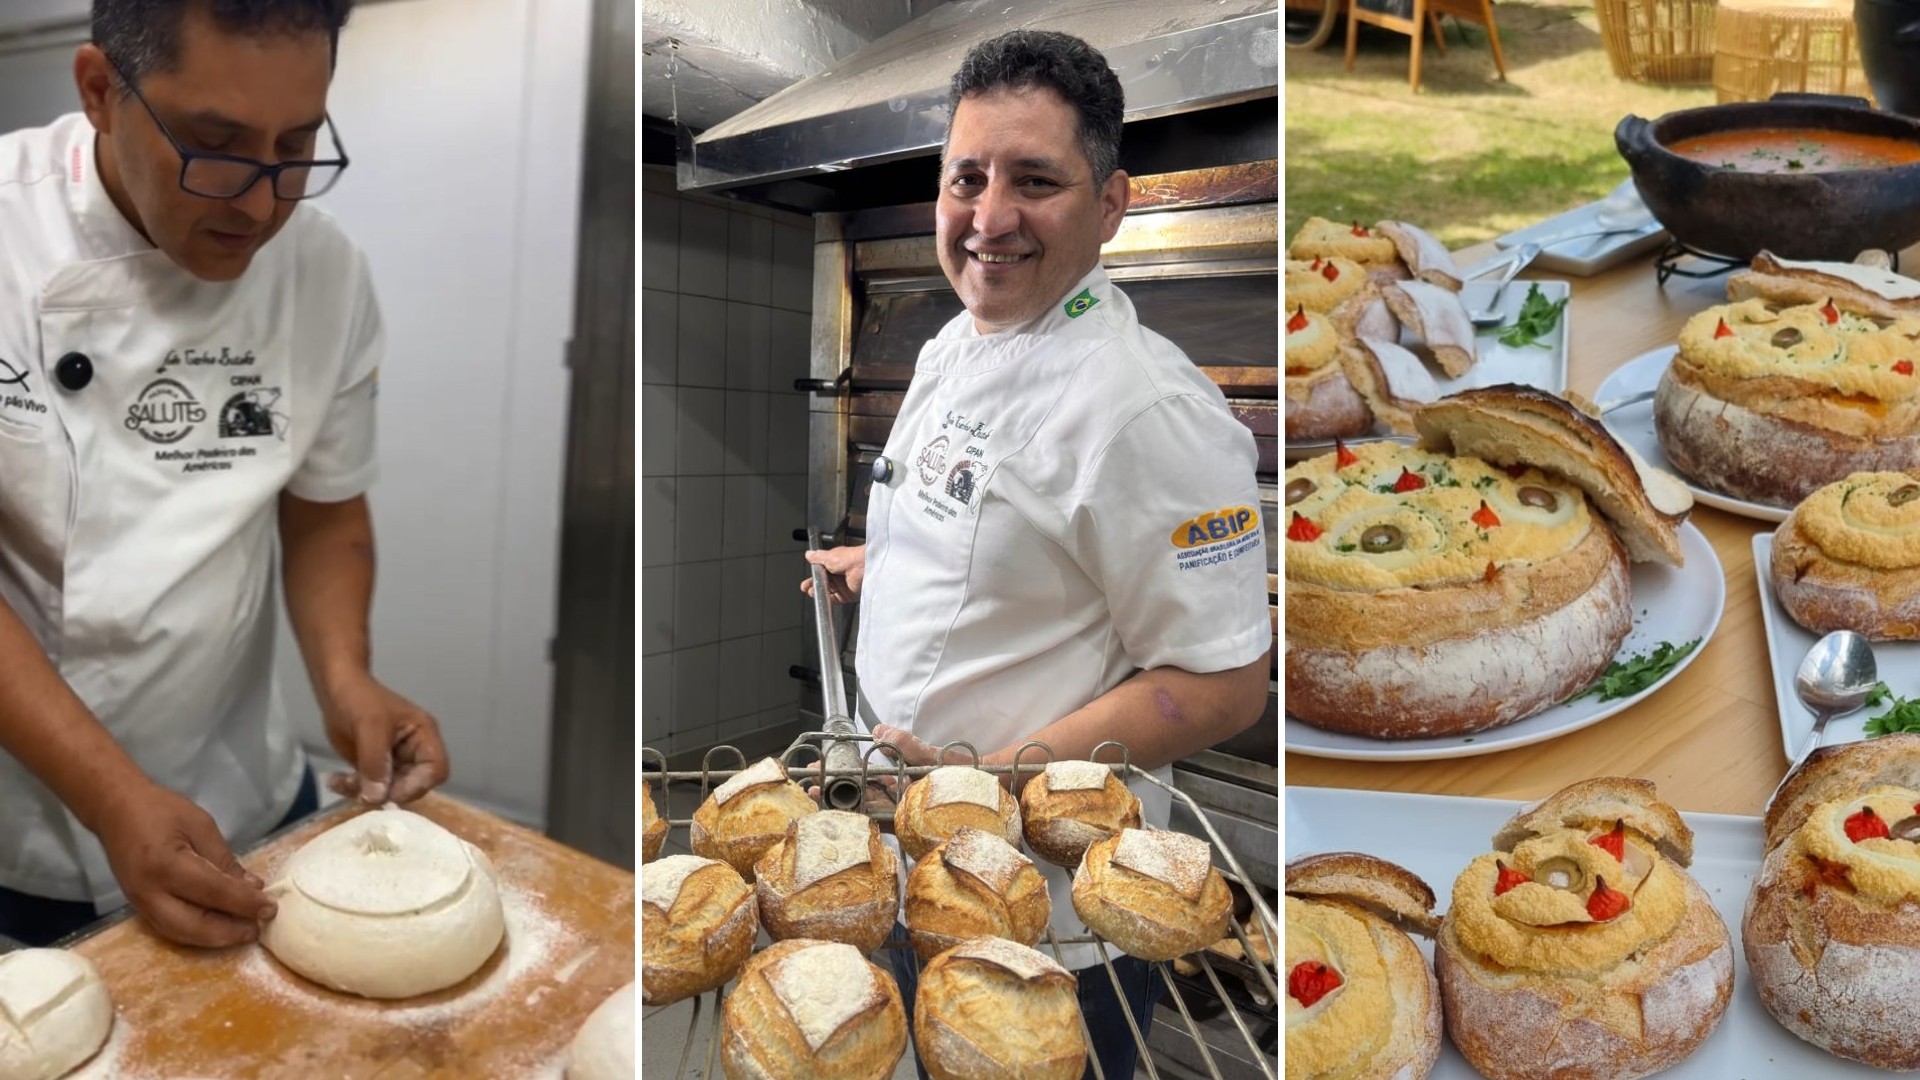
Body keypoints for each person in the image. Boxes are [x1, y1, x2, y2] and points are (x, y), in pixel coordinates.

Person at [802, 28, 1272, 1080]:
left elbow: (1229, 684)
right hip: (905, 850)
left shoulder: (1147, 410)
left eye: (1035, 180)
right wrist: (884, 568)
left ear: (1110, 203)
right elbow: (988, 530)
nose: (989, 216)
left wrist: (991, 784)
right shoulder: (955, 339)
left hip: (1044, 909)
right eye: (966, 177)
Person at [0, 0, 446, 951]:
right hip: (21, 823)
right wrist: (114, 799)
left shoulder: (325, 275)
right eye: (215, 145)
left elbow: (325, 508)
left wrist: (345, 678)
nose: (260, 203)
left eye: (297, 147)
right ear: (98, 93)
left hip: (242, 787)